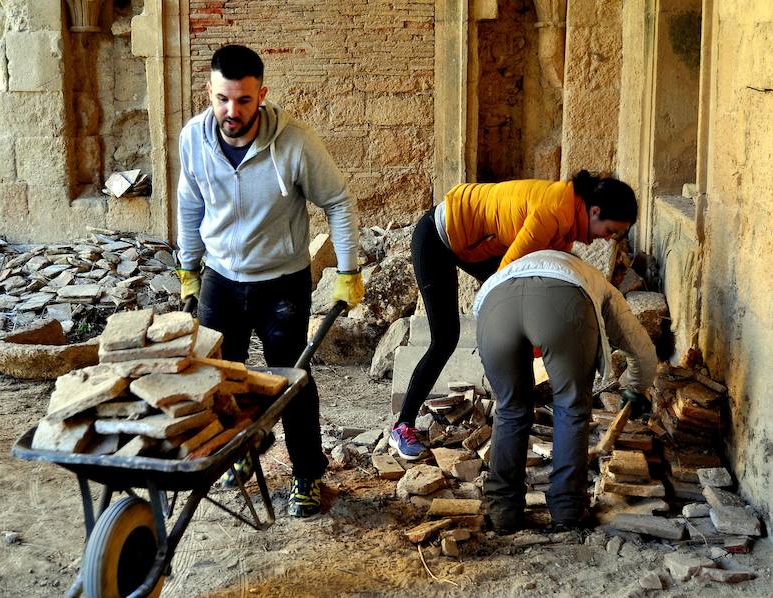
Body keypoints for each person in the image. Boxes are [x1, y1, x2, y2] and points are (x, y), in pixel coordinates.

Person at [175, 44, 364, 518]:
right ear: (209, 91)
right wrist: (189, 267)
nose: (231, 111)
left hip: (281, 282)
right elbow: (190, 203)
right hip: (221, 277)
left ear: (262, 94)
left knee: (290, 379)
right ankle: (239, 451)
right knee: (222, 377)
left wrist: (348, 270)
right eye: (222, 99)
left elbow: (337, 201)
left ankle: (307, 472)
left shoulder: (295, 143)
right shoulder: (193, 139)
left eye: (243, 100)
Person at [389, 172, 638, 460]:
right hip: (438, 236)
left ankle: (517, 407)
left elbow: (542, 285)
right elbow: (504, 281)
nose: (606, 239)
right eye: (610, 231)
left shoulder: (566, 226)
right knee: (445, 339)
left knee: (528, 312)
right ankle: (402, 427)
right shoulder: (554, 210)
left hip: (474, 244)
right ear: (594, 212)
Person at [472, 249, 657, 532]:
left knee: (510, 408)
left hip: (493, 306)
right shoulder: (591, 277)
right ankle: (567, 511)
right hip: (563, 302)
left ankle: (502, 512)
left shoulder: (512, 270)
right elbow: (639, 348)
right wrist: (636, 386)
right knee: (570, 407)